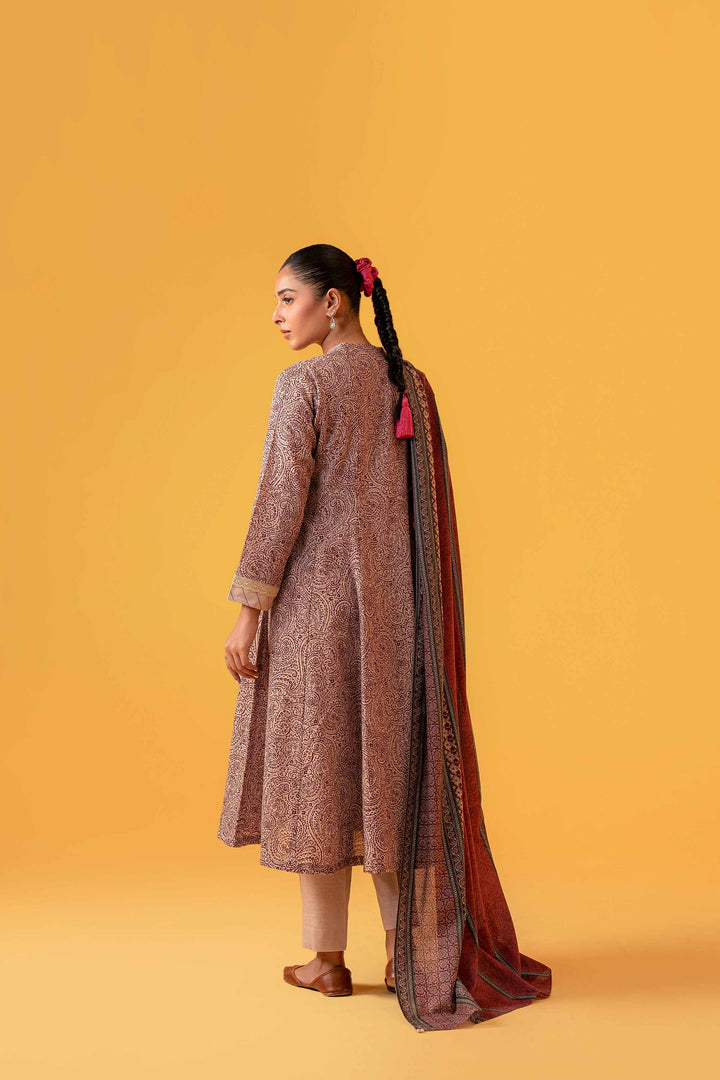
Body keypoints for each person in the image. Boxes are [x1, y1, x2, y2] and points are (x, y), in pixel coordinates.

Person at [218, 244, 553, 1030]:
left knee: (319, 775)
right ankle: (411, 956)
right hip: (398, 614)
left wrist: (248, 609)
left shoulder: (303, 385)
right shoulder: (411, 384)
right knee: (387, 777)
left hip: (315, 610)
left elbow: (279, 505)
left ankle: (327, 961)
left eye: (287, 298)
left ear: (334, 301)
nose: (277, 315)